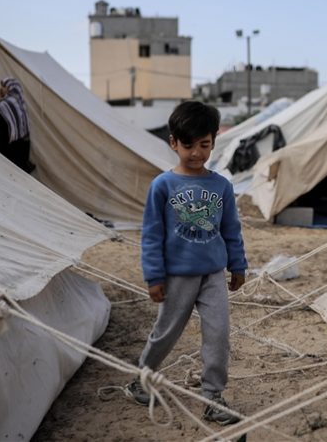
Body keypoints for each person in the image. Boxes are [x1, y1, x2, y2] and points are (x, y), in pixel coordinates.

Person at [127, 101, 247, 426]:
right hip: (176, 276)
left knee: (219, 335)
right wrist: (154, 276)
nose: (196, 153)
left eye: (204, 145)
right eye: (189, 145)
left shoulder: (222, 186)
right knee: (165, 333)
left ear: (213, 142)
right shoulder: (162, 186)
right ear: (173, 142)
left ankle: (212, 397)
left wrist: (238, 265)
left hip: (213, 275)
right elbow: (151, 235)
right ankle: (141, 379)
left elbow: (231, 229)